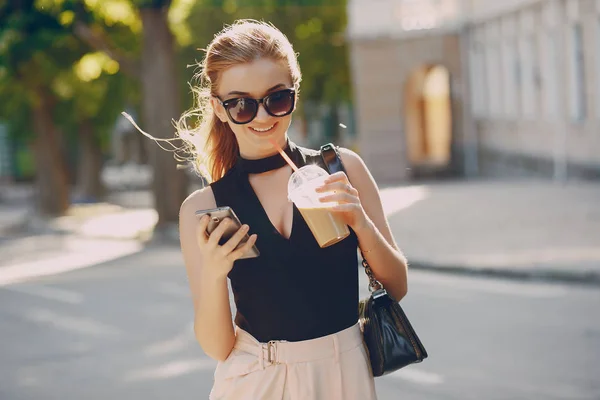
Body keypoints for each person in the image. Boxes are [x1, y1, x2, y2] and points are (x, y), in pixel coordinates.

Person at [177, 20, 408, 400]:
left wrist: (361, 224)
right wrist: (215, 274)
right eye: (241, 105)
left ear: (294, 94)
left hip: (344, 374)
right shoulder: (203, 209)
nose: (263, 117)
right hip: (255, 381)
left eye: (277, 98)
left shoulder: (341, 170)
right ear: (219, 109)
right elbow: (218, 348)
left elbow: (396, 286)